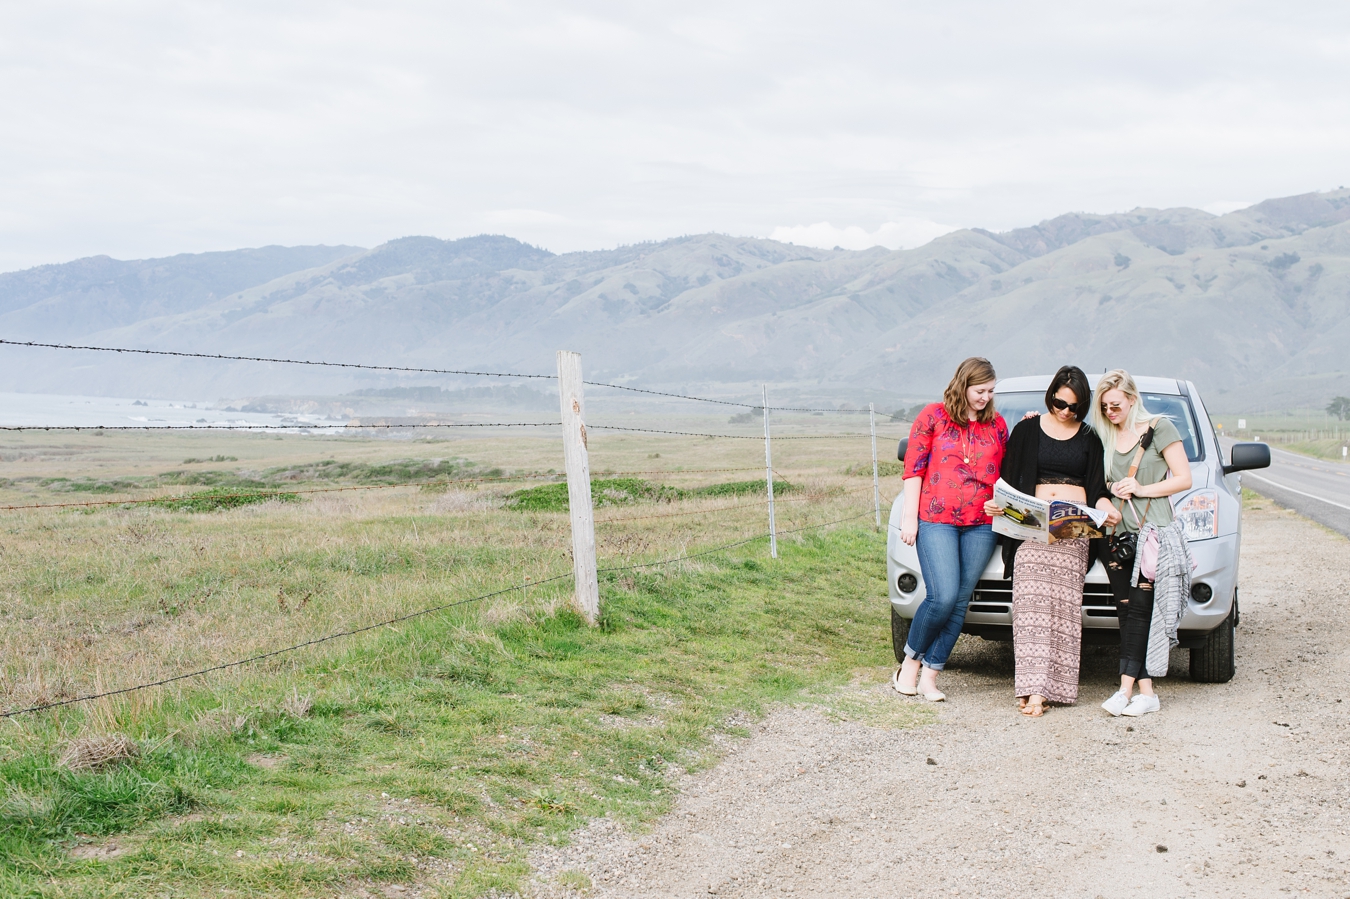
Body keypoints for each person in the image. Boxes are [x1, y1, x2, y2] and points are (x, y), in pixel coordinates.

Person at [983, 365, 1120, 717]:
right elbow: (1009, 481)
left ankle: (1046, 691)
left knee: (1062, 608)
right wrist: (999, 506)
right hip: (1032, 529)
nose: (1065, 411)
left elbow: (1098, 489)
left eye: (1074, 407)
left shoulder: (1089, 437)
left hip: (1072, 532)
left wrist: (1106, 510)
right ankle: (1030, 687)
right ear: (1051, 395)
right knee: (1030, 604)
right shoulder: (1027, 429)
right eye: (1060, 403)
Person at [894, 357, 1009, 701]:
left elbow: (1007, 474)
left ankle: (931, 675)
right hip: (935, 519)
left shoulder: (998, 425)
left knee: (959, 602)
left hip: (982, 525)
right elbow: (913, 468)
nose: (985, 397)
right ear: (963, 385)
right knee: (941, 597)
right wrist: (909, 517)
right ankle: (909, 665)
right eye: (979, 390)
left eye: (990, 391)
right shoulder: (932, 416)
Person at [1091, 369, 1193, 718]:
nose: (1110, 411)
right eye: (1104, 406)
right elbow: (1096, 483)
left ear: (1132, 399)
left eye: (1116, 404)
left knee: (1141, 609)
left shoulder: (1160, 428)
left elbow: (1183, 478)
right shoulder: (1103, 436)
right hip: (1114, 535)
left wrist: (1140, 489)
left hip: (1152, 532)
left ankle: (1124, 688)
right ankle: (1145, 692)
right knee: (1128, 610)